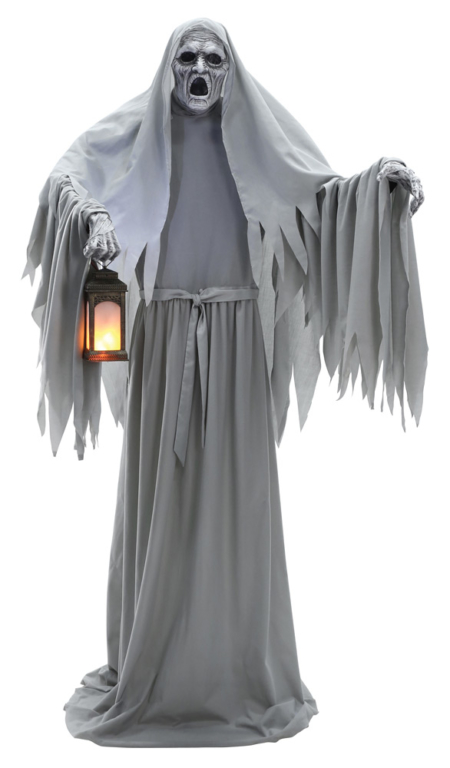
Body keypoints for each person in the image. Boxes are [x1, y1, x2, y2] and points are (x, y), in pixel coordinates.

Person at [23, 17, 428, 748]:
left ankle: (238, 669)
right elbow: (66, 178)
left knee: (241, 500)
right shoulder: (136, 133)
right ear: (169, 67)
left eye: (214, 58)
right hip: (162, 337)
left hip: (239, 339)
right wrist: (93, 215)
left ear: (231, 70)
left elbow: (323, 202)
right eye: (188, 57)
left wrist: (380, 185)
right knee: (159, 502)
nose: (200, 69)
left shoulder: (262, 138)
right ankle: (157, 665)